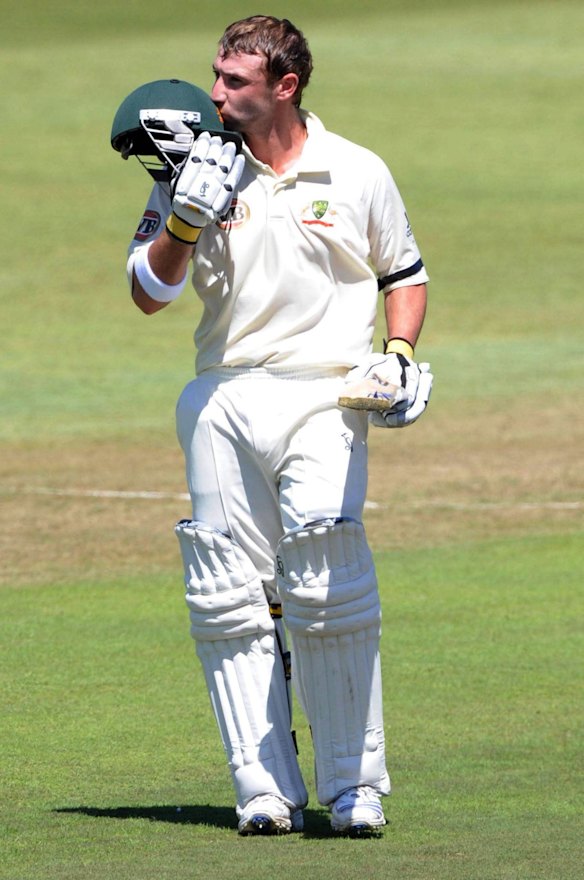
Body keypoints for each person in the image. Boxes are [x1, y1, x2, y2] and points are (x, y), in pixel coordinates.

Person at [125, 15, 432, 836]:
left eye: (234, 81)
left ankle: (352, 788)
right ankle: (263, 791)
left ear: (285, 87)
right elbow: (147, 292)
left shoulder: (358, 169)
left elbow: (405, 275)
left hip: (324, 396)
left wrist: (397, 354)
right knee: (228, 597)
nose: (215, 94)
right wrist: (184, 220)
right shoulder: (189, 166)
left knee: (328, 586)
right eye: (216, 76)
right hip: (221, 395)